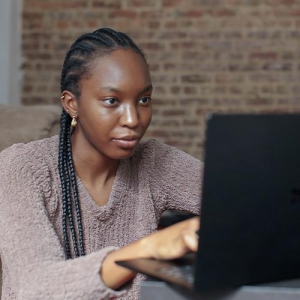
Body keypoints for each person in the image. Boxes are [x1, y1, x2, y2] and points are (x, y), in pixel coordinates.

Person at [0, 28, 203, 300]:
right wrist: (148, 250)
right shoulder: (23, 167)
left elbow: (242, 199)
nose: (133, 119)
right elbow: (36, 287)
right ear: (71, 104)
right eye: (112, 101)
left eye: (143, 99)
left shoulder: (154, 162)